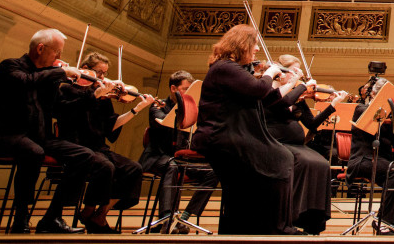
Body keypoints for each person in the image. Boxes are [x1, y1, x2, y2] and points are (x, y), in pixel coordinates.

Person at [191, 24, 295, 235]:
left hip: (233, 134)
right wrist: (271, 73)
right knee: (280, 158)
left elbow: (268, 99)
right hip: (221, 136)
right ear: (242, 45)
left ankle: (268, 225)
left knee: (281, 156)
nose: (257, 49)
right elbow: (257, 90)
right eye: (254, 44)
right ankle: (275, 226)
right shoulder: (224, 68)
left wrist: (289, 82)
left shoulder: (234, 70)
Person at [0, 28, 94, 234]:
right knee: (34, 152)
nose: (59, 58)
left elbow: (62, 109)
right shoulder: (10, 66)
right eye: (57, 52)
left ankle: (52, 217)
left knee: (85, 155)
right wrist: (60, 72)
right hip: (9, 134)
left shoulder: (49, 77)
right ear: (40, 48)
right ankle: (21, 218)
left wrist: (92, 96)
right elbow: (26, 81)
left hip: (39, 137)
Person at [55, 52, 152, 232]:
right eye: (99, 73)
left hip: (99, 147)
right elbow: (69, 116)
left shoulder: (104, 97)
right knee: (106, 166)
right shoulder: (68, 90)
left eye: (105, 74)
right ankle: (88, 212)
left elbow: (111, 126)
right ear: (85, 70)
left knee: (133, 168)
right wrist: (96, 94)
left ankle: (100, 214)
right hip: (76, 145)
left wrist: (137, 109)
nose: (103, 78)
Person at [265, 55, 346, 234]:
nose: (297, 76)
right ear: (281, 72)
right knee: (304, 162)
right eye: (293, 72)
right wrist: (299, 87)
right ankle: (291, 217)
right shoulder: (273, 92)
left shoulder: (298, 98)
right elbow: (282, 104)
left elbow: (312, 124)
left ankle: (313, 221)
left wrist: (332, 105)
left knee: (322, 164)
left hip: (297, 145)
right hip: (276, 143)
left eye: (298, 73)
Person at [137, 70, 218, 233]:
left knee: (214, 171)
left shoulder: (193, 109)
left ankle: (185, 217)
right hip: (158, 157)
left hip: (182, 160)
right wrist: (182, 111)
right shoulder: (158, 106)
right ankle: (167, 218)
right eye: (185, 89)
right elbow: (164, 124)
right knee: (171, 166)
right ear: (174, 88)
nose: (188, 94)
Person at [347, 76, 394, 235]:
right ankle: (384, 222)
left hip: (384, 162)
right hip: (363, 160)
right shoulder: (361, 109)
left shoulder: (389, 117)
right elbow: (371, 129)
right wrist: (389, 118)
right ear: (374, 95)